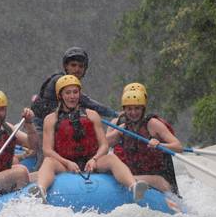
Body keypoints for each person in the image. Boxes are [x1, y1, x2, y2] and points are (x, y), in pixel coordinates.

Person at [29, 75, 148, 203]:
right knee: (48, 162)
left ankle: (133, 186)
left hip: (91, 163)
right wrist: (67, 162)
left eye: (75, 92)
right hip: (65, 164)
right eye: (68, 93)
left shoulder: (92, 115)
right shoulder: (51, 119)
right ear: (60, 96)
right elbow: (47, 150)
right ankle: (41, 190)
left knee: (112, 158)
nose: (72, 96)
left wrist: (94, 159)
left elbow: (103, 145)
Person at [107, 88, 182, 194]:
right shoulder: (122, 129)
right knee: (118, 174)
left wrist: (160, 145)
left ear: (143, 109)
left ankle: (131, 181)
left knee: (126, 177)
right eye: (129, 109)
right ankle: (132, 182)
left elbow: (178, 147)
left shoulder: (153, 124)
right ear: (124, 110)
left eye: (137, 108)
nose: (133, 112)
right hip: (137, 176)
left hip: (160, 181)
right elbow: (102, 145)